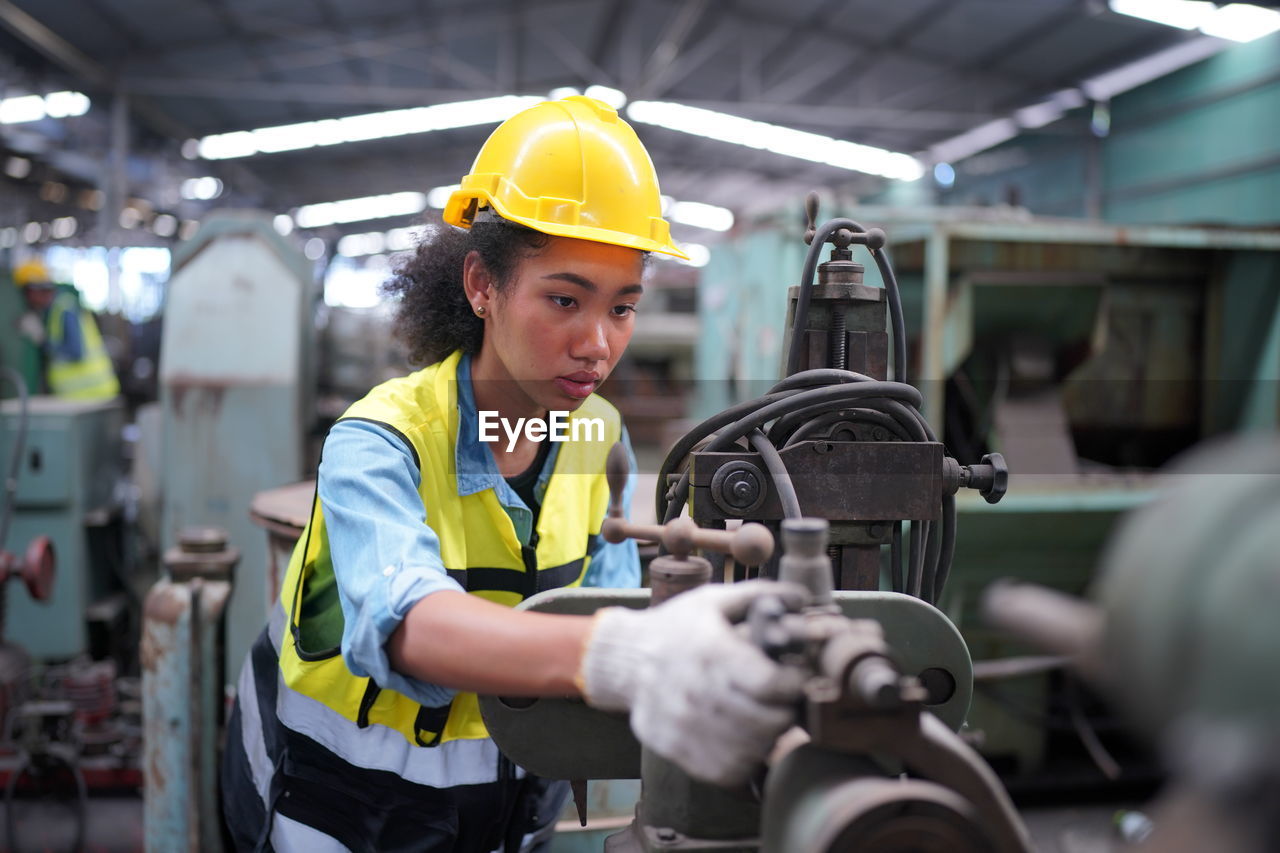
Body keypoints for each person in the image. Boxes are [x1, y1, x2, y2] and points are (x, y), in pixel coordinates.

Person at [221, 96, 804, 853]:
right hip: (336, 811)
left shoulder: (597, 436)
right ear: (482, 287)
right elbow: (408, 624)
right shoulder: (379, 440)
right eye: (564, 299)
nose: (597, 343)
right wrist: (630, 653)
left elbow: (607, 598)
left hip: (505, 818)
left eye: (623, 308)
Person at [13, 259, 119, 400]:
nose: (28, 300)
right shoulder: (52, 312)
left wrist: (42, 340)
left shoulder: (65, 308)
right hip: (77, 398)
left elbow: (75, 352)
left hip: (92, 395)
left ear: (34, 291)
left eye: (26, 293)